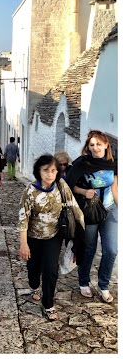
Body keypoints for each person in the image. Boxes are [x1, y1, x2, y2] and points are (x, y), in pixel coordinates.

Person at [17, 154, 84, 321]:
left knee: (50, 270)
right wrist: (23, 244)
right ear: (38, 171)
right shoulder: (30, 191)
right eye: (46, 170)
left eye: (53, 170)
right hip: (33, 237)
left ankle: (48, 304)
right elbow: (22, 219)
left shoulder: (61, 186)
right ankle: (34, 286)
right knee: (33, 269)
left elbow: (74, 207)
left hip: (54, 236)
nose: (50, 174)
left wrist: (81, 233)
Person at [66, 130, 118, 303]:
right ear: (88, 147)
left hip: (110, 209)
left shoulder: (113, 164)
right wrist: (84, 191)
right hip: (90, 210)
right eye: (92, 145)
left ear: (106, 145)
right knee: (89, 249)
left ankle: (104, 285)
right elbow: (70, 186)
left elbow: (115, 188)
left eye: (98, 144)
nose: (95, 148)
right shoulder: (82, 164)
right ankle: (83, 282)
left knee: (111, 250)